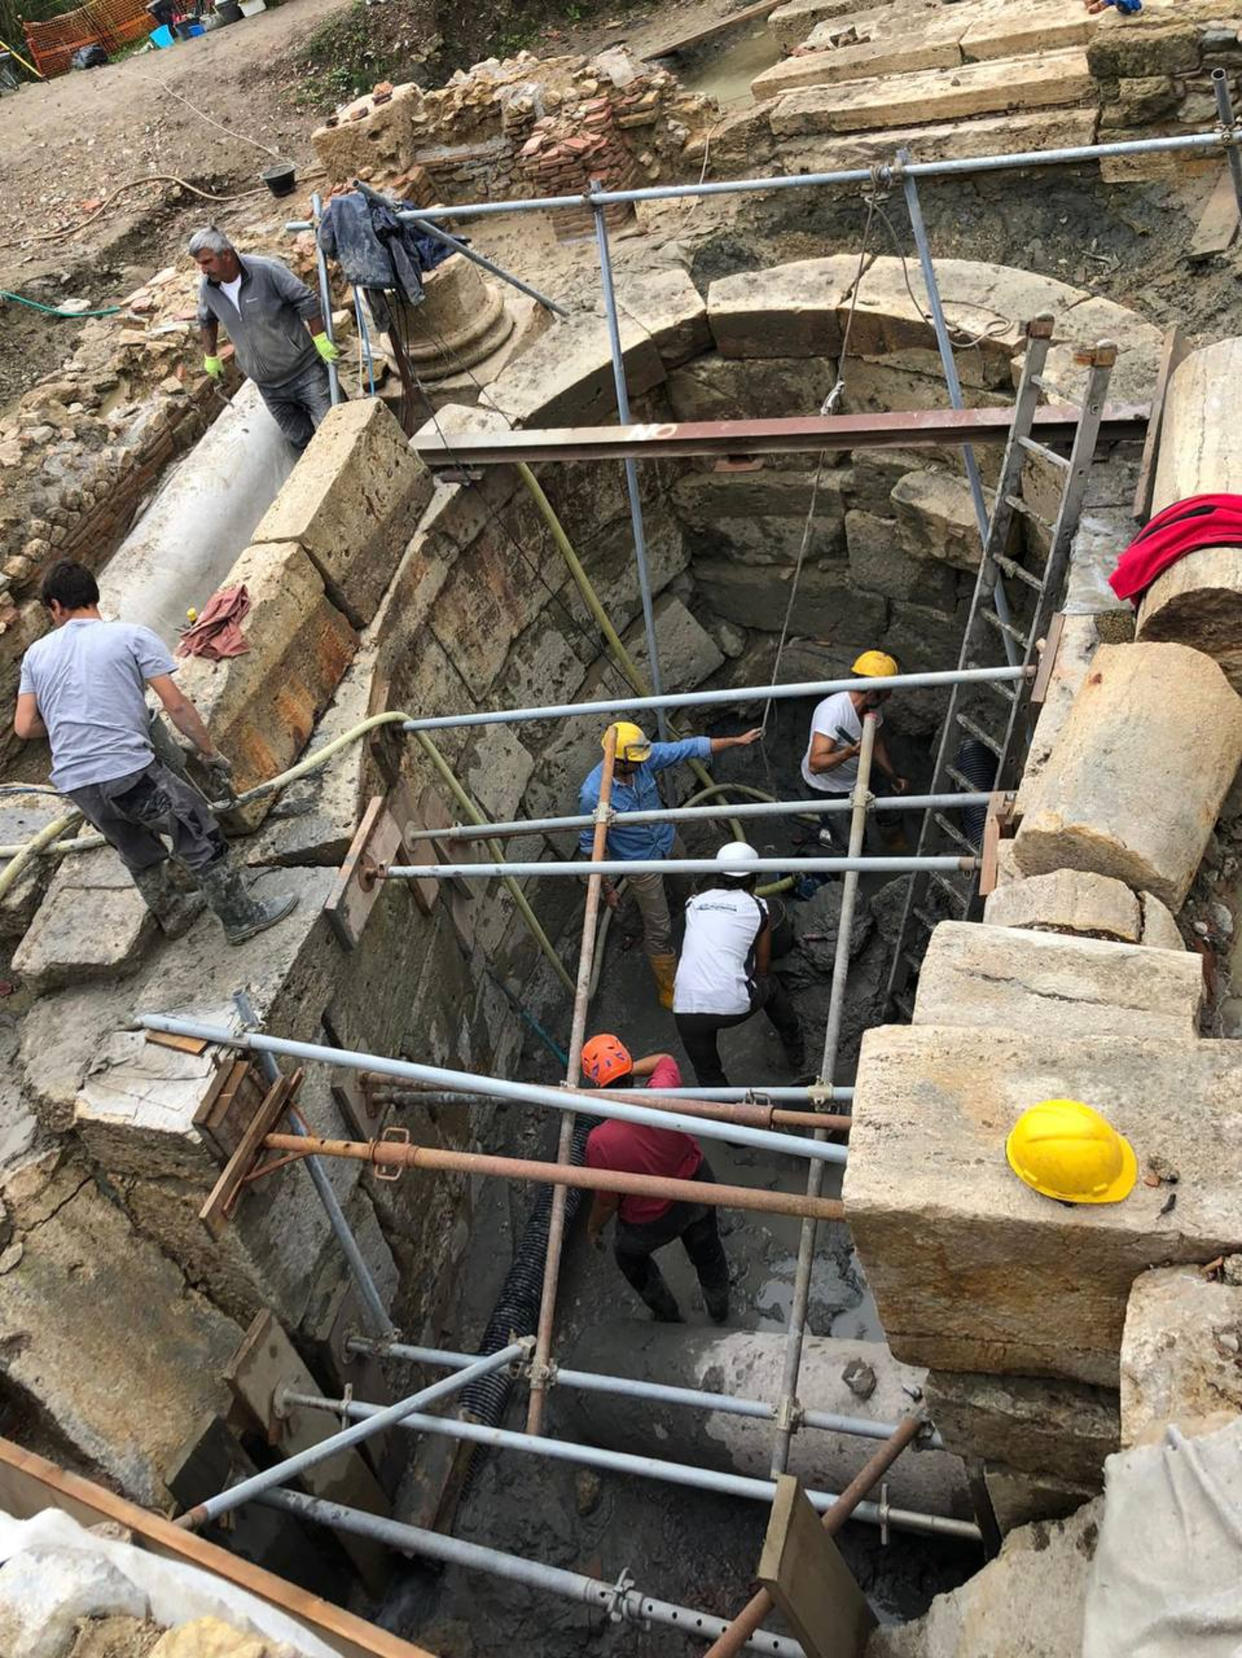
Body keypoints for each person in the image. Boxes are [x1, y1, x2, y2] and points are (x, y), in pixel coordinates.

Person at [14, 560, 297, 945]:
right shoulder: (130, 636)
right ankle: (241, 917)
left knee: (131, 843)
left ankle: (174, 912)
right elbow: (176, 706)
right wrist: (210, 753)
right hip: (126, 771)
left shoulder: (35, 655)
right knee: (196, 827)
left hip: (76, 782)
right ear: (93, 596)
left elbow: (25, 726)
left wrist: (70, 719)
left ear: (56, 606)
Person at [578, 720, 763, 1008]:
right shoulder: (593, 795)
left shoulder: (643, 760)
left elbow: (686, 748)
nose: (643, 765)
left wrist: (735, 740)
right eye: (635, 762)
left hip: (667, 841)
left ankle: (698, 926)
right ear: (617, 759)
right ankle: (670, 989)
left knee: (688, 889)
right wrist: (608, 889)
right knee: (659, 928)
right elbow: (592, 847)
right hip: (640, 864)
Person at [582, 1034, 730, 1324]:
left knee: (628, 1257)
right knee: (707, 1250)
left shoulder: (600, 1142)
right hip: (696, 1188)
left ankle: (668, 1314)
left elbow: (607, 1200)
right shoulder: (663, 1091)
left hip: (649, 1220)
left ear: (594, 1083)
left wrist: (593, 1228)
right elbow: (664, 1059)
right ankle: (719, 1308)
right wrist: (625, 1067)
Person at [191, 226, 341, 453]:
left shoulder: (265, 271)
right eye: (200, 263)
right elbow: (206, 319)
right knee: (301, 442)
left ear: (227, 255)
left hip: (305, 372)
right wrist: (210, 356)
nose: (203, 270)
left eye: (207, 261)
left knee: (339, 428)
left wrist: (319, 339)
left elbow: (307, 300)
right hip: (268, 386)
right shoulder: (209, 288)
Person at [673, 842, 805, 1086]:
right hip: (730, 1003)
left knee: (708, 1073)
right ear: (753, 878)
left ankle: (730, 1118)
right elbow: (763, 966)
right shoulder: (757, 906)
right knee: (770, 985)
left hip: (685, 1007)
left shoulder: (694, 903)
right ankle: (794, 1045)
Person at [800, 650, 909, 850]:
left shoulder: (874, 706)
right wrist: (847, 753)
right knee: (852, 842)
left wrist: (893, 778)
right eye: (888, 690)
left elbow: (875, 744)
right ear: (872, 691)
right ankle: (831, 840)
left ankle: (899, 849)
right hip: (829, 788)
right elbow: (815, 764)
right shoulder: (833, 713)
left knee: (890, 811)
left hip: (861, 770)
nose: (891, 695)